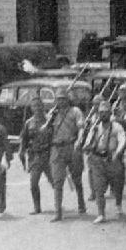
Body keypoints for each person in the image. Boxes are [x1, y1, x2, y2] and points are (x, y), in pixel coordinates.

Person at [81, 100, 126, 224]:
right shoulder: (95, 127)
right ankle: (101, 213)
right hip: (98, 160)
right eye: (101, 113)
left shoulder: (117, 126)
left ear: (110, 113)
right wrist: (86, 146)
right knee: (98, 188)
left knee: (117, 184)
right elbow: (88, 141)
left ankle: (118, 204)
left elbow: (122, 140)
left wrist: (118, 152)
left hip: (112, 159)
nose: (103, 115)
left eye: (106, 113)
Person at [46, 88, 86, 222]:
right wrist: (50, 117)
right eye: (58, 99)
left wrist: (79, 141)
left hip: (71, 145)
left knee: (77, 178)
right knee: (57, 181)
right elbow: (47, 130)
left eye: (63, 98)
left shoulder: (75, 111)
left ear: (67, 99)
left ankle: (81, 203)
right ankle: (58, 212)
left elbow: (81, 128)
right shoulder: (52, 113)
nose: (60, 101)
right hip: (57, 148)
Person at [18, 95, 53, 215]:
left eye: (39, 105)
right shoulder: (29, 123)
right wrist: (21, 151)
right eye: (34, 106)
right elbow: (24, 139)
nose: (37, 108)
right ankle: (37, 207)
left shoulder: (49, 120)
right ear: (31, 108)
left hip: (48, 155)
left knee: (55, 182)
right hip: (35, 156)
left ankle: (58, 204)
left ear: (43, 106)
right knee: (33, 183)